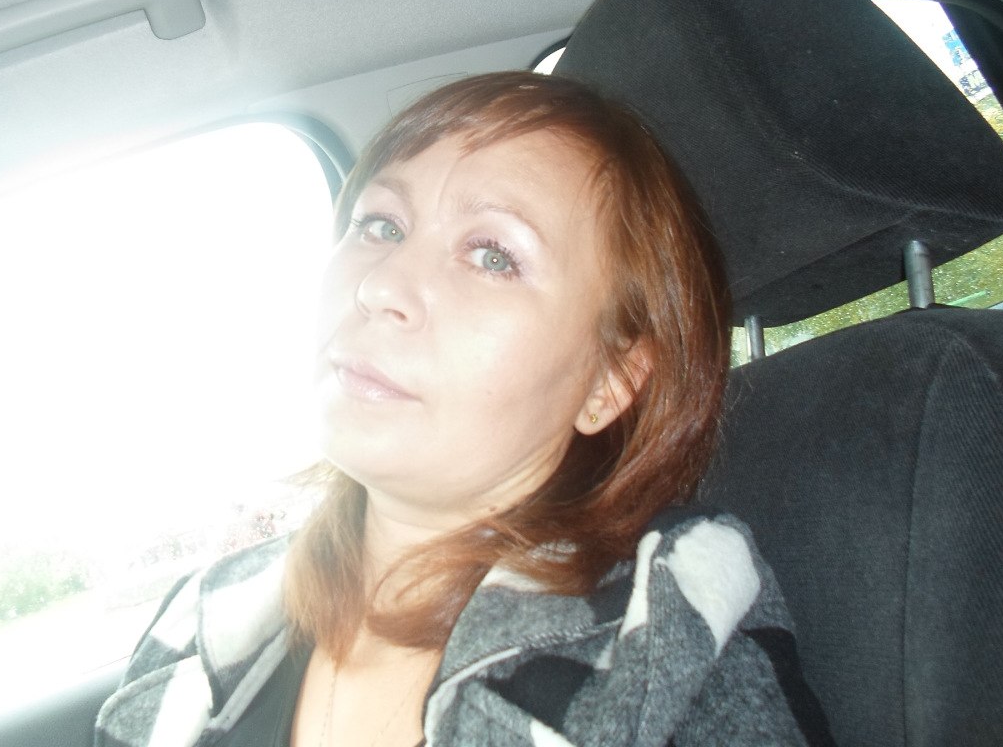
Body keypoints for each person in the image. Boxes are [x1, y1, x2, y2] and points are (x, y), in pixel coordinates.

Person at [96, 72, 829, 747]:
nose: (380, 286)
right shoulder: (200, 628)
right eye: (380, 225)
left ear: (608, 382)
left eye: (493, 256)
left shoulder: (667, 649)